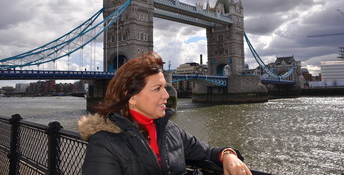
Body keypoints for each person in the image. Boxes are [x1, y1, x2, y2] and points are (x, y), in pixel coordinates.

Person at [78, 52, 252, 175]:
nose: (167, 95)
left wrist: (228, 155)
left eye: (165, 87)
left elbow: (207, 152)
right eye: (157, 89)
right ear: (131, 97)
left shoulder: (170, 130)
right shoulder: (104, 143)